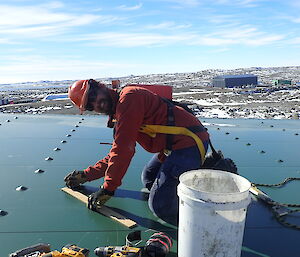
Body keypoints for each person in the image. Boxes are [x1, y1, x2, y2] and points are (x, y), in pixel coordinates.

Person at [64, 79, 209, 225]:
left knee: (161, 206)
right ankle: (185, 180)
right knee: (149, 178)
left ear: (101, 86)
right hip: (173, 145)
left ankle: (201, 223)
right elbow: (115, 154)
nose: (97, 104)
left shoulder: (129, 98)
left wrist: (108, 189)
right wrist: (87, 175)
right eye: (90, 105)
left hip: (189, 143)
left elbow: (122, 151)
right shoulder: (119, 111)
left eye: (93, 96)